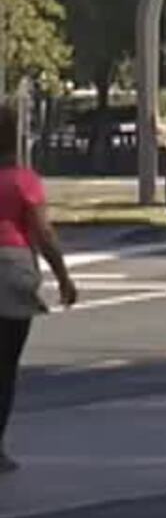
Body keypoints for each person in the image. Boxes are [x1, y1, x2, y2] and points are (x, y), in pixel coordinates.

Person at [0, 103, 78, 472]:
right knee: (5, 365)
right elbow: (44, 234)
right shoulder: (23, 180)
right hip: (12, 267)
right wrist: (63, 276)